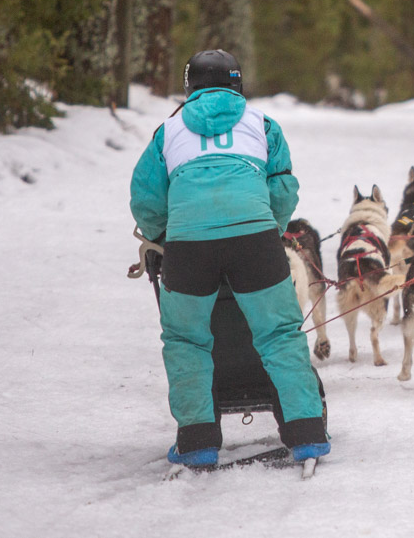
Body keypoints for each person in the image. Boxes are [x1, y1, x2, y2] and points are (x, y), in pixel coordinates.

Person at [129, 49, 329, 469]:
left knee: (186, 340)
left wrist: (162, 237)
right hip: (254, 237)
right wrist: (268, 231)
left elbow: (146, 199)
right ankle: (307, 433)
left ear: (191, 86)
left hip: (188, 245)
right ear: (238, 84)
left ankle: (197, 441)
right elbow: (283, 190)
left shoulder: (168, 131)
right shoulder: (263, 125)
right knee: (279, 334)